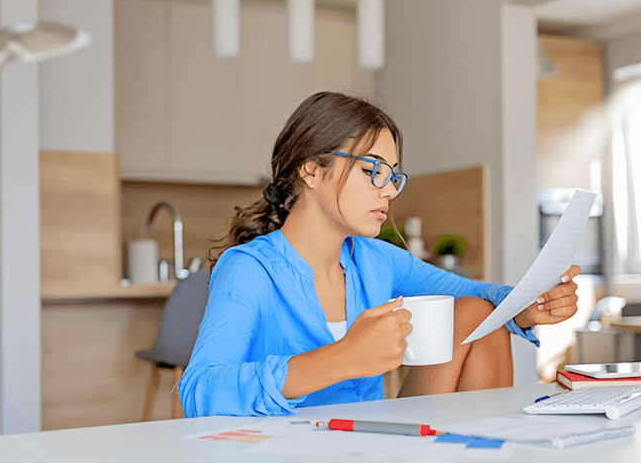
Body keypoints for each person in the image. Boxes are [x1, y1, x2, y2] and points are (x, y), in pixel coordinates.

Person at [179, 92, 580, 417]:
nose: (388, 190)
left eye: (393, 175)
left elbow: (478, 296)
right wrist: (342, 359)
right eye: (373, 170)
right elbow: (199, 391)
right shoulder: (250, 269)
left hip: (369, 444)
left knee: (476, 313)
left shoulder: (376, 260)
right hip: (286, 462)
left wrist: (527, 308)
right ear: (311, 171)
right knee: (477, 313)